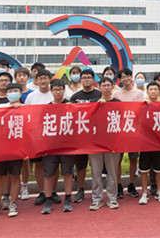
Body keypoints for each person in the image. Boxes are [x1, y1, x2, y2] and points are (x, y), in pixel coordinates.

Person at [0, 83, 24, 219]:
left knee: (15, 176)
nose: (13, 93)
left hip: (17, 148)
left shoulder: (27, 108)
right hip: (0, 148)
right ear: (6, 95)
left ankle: (13, 203)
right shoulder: (1, 107)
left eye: (15, 91)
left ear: (20, 93)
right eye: (10, 91)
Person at [40, 79, 75, 214]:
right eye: (55, 89)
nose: (58, 92)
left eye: (60, 89)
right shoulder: (46, 108)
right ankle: (48, 200)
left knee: (67, 173)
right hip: (51, 147)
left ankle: (68, 199)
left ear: (64, 90)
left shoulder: (70, 106)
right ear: (51, 91)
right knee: (48, 174)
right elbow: (41, 128)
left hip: (67, 146)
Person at [88, 78, 121, 211]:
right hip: (95, 142)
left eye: (108, 85)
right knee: (96, 172)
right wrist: (96, 106)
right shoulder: (93, 102)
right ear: (99, 87)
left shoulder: (118, 103)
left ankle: (112, 198)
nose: (106, 87)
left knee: (112, 172)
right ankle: (97, 199)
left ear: (113, 86)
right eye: (103, 85)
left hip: (112, 143)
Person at [69, 69, 102, 202]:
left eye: (89, 77)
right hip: (80, 136)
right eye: (84, 78)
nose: (86, 80)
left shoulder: (100, 94)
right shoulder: (75, 97)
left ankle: (97, 190)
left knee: (96, 166)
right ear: (80, 80)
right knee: (81, 166)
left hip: (96, 135)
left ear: (93, 79)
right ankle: (80, 189)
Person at [24, 69, 54, 206]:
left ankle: (52, 191)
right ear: (36, 80)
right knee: (39, 164)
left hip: (53, 134)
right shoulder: (31, 96)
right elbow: (26, 114)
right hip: (36, 135)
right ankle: (42, 191)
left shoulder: (55, 93)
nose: (43, 81)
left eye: (45, 78)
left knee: (54, 163)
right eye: (40, 78)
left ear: (49, 79)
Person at [113, 68, 144, 198]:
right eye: (123, 77)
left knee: (133, 158)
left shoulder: (138, 93)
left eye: (128, 76)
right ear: (120, 79)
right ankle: (118, 185)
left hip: (133, 131)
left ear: (131, 77)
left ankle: (131, 184)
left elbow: (140, 111)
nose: (126, 79)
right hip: (120, 132)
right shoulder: (116, 94)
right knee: (118, 159)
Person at [138, 82, 160, 205]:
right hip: (145, 143)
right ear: (147, 91)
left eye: (156, 89)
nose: (154, 91)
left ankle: (159, 191)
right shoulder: (141, 107)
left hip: (158, 143)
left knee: (159, 170)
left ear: (159, 92)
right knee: (144, 170)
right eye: (151, 89)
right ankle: (144, 192)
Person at [14, 67, 33, 200]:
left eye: (24, 75)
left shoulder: (32, 94)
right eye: (19, 75)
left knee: (25, 161)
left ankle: (25, 187)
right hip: (13, 130)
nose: (21, 77)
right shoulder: (11, 91)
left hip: (26, 130)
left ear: (28, 77)